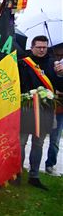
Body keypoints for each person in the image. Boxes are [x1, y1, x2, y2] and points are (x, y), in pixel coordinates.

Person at [18, 35, 63, 189]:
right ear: (32, 47)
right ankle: (17, 173)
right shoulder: (23, 63)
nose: (42, 49)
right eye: (39, 47)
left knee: (38, 144)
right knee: (21, 143)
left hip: (45, 108)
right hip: (26, 106)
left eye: (44, 47)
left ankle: (34, 176)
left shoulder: (52, 64)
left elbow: (60, 87)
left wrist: (61, 74)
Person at [45, 45, 63, 176]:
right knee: (50, 137)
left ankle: (50, 164)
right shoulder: (50, 63)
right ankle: (48, 164)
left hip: (60, 106)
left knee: (55, 138)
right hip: (50, 105)